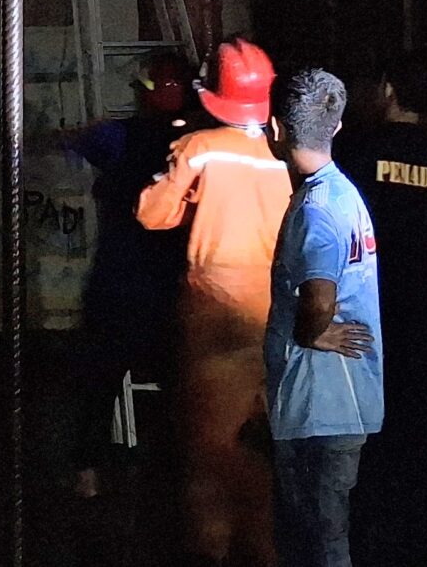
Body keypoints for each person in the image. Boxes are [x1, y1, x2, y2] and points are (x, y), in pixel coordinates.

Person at [140, 38, 293, 567]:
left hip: (215, 309)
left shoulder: (199, 148)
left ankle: (214, 549)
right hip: (279, 309)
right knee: (269, 447)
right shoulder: (286, 151)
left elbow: (153, 215)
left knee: (211, 448)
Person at [335, 54, 427, 562]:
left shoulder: (358, 149)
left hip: (368, 305)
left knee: (371, 427)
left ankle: (373, 527)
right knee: (424, 419)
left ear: (389, 89)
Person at [59, 49, 196, 496]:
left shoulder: (118, 137)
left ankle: (87, 472)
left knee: (98, 379)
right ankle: (175, 475)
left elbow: (77, 140)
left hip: (120, 283)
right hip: (177, 286)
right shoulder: (201, 145)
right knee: (180, 382)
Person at [265, 68, 383, 567]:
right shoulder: (343, 193)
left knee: (318, 538)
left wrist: (313, 333)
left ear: (276, 128)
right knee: (330, 532)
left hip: (318, 403)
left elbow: (318, 295)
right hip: (344, 398)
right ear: (335, 127)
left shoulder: (315, 208)